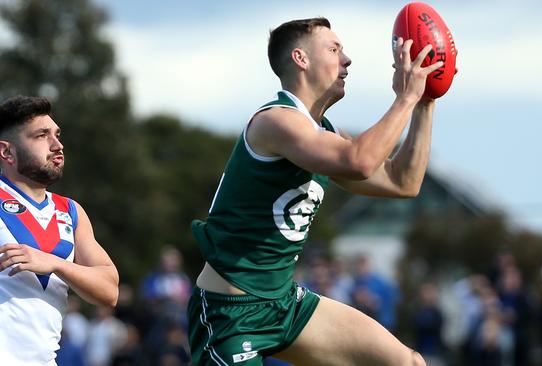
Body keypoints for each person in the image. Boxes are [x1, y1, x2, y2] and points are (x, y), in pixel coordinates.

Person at [187, 17, 444, 366]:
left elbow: (404, 182)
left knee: (408, 363)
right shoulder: (276, 120)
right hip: (230, 314)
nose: (347, 60)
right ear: (301, 59)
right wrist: (405, 97)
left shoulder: (321, 132)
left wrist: (425, 101)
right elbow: (360, 161)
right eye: (334, 49)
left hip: (285, 303)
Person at [0, 96, 119, 365]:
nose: (57, 145)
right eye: (42, 135)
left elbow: (109, 291)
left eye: (57, 134)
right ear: (6, 152)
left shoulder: (71, 211)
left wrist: (55, 264)